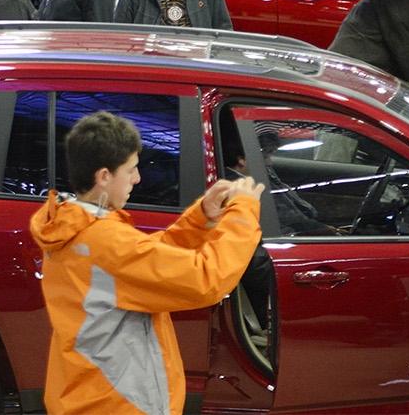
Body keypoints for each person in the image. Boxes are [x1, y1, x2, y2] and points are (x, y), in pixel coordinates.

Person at [30, 112, 263, 415]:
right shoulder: (107, 240)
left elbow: (142, 261)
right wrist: (243, 213)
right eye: (131, 170)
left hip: (85, 394)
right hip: (122, 403)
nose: (137, 178)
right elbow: (206, 279)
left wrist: (200, 219)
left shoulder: (69, 226)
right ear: (104, 176)